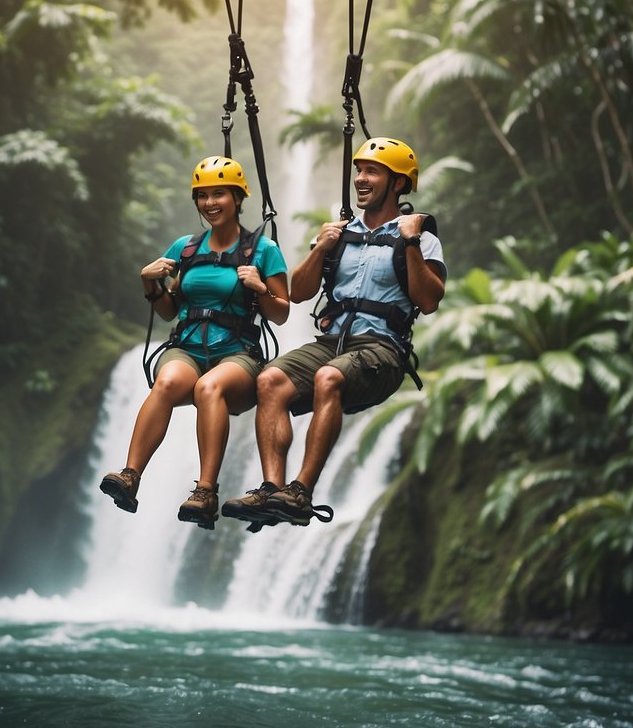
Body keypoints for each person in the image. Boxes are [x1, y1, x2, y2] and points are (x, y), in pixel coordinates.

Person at [221, 137, 445, 528]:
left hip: (383, 350)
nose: (360, 178)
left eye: (371, 171)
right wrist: (320, 248)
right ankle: (272, 489)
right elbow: (299, 292)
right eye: (359, 170)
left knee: (329, 377)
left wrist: (409, 241)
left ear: (397, 184)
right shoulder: (339, 233)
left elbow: (427, 300)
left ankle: (301, 492)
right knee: (270, 379)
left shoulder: (422, 237)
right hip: (332, 342)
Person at [100, 156, 290, 529]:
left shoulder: (263, 250)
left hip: (237, 352)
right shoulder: (184, 248)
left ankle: (205, 492)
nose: (210, 203)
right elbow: (170, 310)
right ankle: (130, 476)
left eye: (219, 194)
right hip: (186, 346)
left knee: (209, 386)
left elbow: (281, 312)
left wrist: (260, 288)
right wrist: (148, 284)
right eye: (202, 196)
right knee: (167, 382)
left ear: (238, 198)